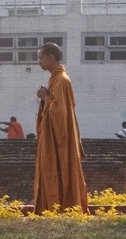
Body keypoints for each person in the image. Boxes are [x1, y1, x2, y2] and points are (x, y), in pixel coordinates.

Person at [32, 43, 87, 213]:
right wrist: (46, 98)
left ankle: (62, 209)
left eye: (41, 58)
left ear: (51, 57)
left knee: (60, 172)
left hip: (59, 141)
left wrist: (46, 97)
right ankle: (49, 209)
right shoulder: (54, 79)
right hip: (51, 140)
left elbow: (60, 114)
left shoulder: (62, 80)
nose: (39, 62)